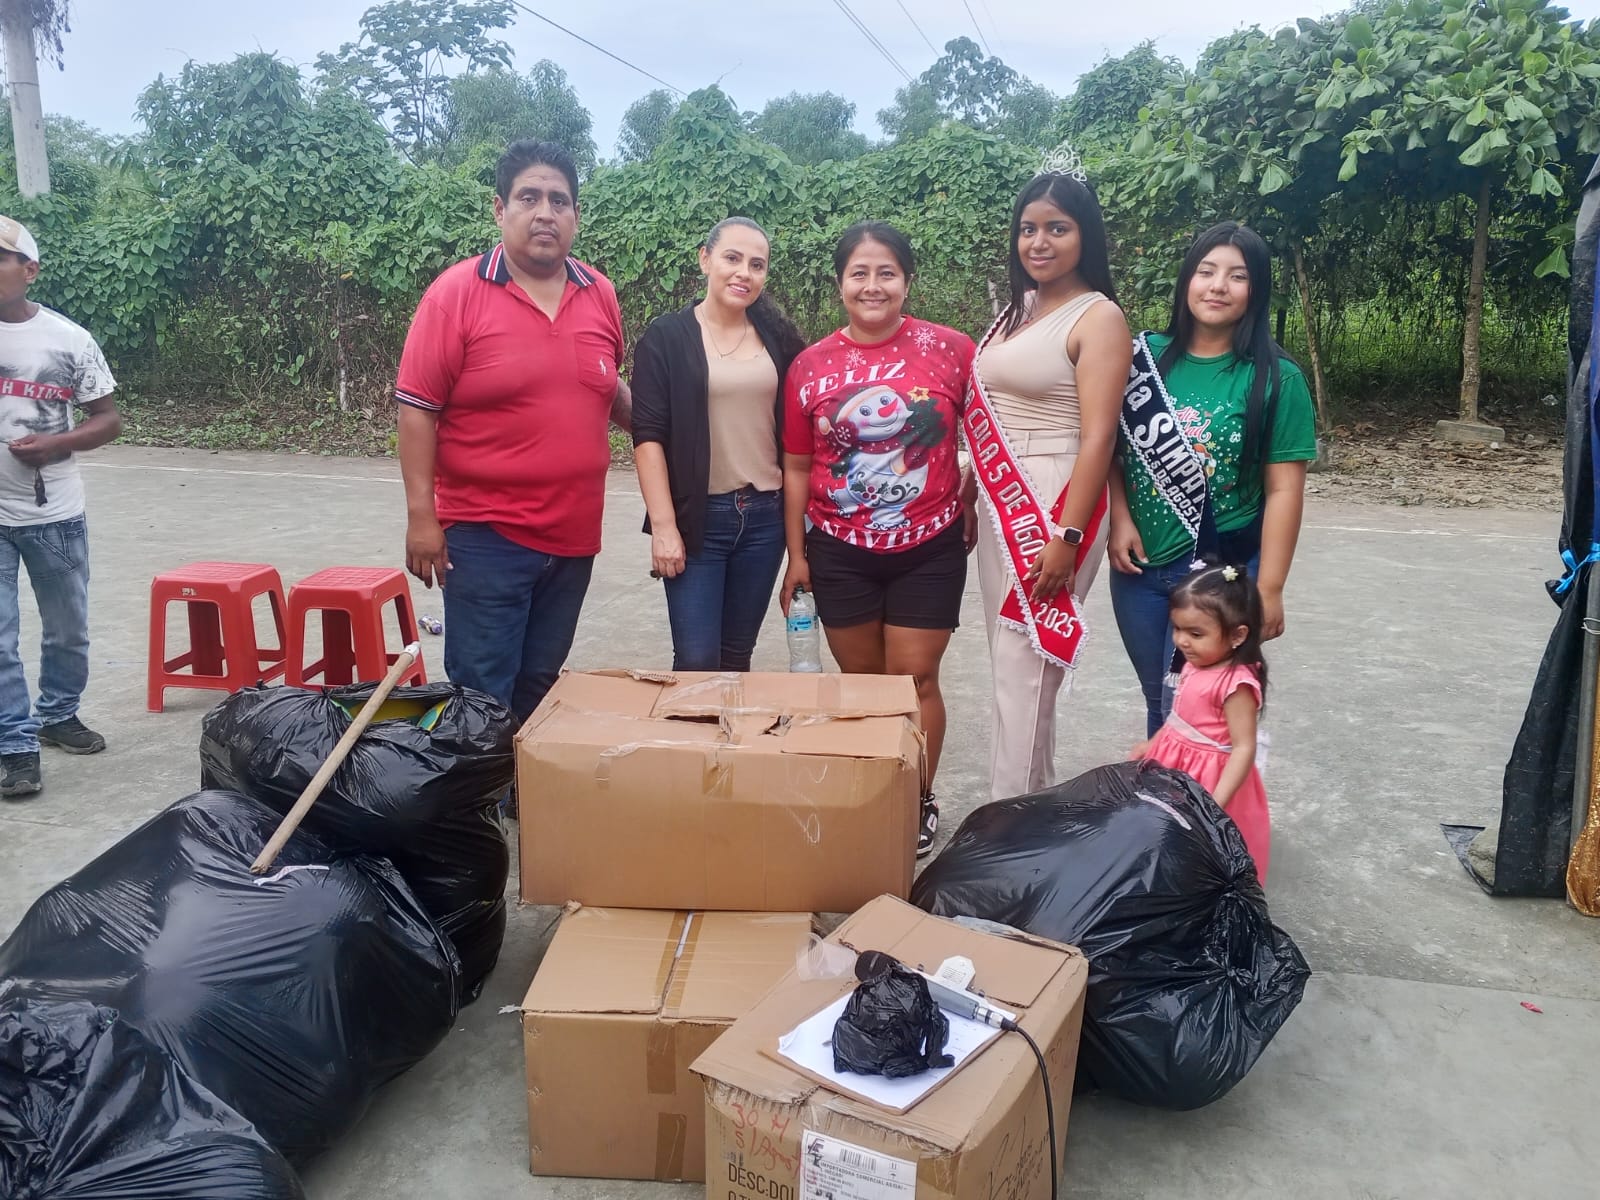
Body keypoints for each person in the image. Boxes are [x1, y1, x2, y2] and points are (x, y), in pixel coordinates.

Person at [395, 140, 630, 733]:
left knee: (540, 683)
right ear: (500, 209)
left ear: (576, 215)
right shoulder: (456, 295)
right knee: (482, 690)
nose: (545, 212)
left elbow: (608, 386)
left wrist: (675, 425)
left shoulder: (599, 293)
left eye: (559, 200)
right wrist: (422, 518)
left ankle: (522, 782)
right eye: (529, 198)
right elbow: (417, 409)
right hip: (485, 536)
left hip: (574, 537)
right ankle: (480, 791)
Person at [779, 221, 974, 857]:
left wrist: (969, 498)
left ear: (907, 281)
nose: (872, 285)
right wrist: (797, 554)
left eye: (886, 272)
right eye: (858, 273)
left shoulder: (953, 350)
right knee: (863, 685)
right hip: (839, 552)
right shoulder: (809, 366)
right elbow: (797, 467)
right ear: (840, 284)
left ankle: (916, 799)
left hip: (931, 547)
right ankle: (873, 795)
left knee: (915, 680)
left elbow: (989, 437)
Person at [964, 165, 1133, 802]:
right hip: (1000, 497)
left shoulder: (1099, 317)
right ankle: (1031, 810)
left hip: (1056, 498)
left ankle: (1008, 824)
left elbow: (1099, 436)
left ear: (1085, 234)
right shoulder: (1020, 308)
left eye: (1057, 228)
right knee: (1015, 670)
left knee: (1025, 670)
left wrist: (1068, 536)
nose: (1039, 242)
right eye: (1028, 229)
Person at [1109, 220, 1316, 736]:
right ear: (1187, 280)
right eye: (1206, 271)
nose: (1218, 286)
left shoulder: (1276, 377)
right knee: (1160, 700)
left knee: (1194, 710)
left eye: (1237, 276)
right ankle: (1172, 788)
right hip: (1139, 569)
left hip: (1219, 568)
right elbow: (1111, 445)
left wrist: (1269, 587)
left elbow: (1285, 489)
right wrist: (1119, 517)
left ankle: (1191, 791)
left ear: (1256, 290)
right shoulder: (1140, 359)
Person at [632, 217, 806, 670]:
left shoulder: (778, 338)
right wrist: (664, 526)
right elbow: (648, 437)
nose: (744, 273)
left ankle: (727, 722)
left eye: (757, 264)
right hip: (699, 521)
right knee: (696, 660)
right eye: (732, 258)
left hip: (765, 518)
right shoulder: (667, 337)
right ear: (705, 259)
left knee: (736, 656)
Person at [0, 216, 122, 799]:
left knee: (67, 631)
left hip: (54, 516)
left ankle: (58, 714)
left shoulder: (69, 339)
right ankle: (14, 744)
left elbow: (108, 419)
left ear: (30, 270)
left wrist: (56, 444)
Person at [1131, 562, 1271, 882]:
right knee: (1168, 833)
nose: (1182, 641)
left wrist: (1214, 804)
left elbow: (1243, 748)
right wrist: (1153, 744)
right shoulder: (1196, 663)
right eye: (1178, 629)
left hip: (1210, 779)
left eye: (1196, 634)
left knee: (1204, 851)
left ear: (1238, 635)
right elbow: (1179, 718)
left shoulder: (1236, 684)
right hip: (1176, 763)